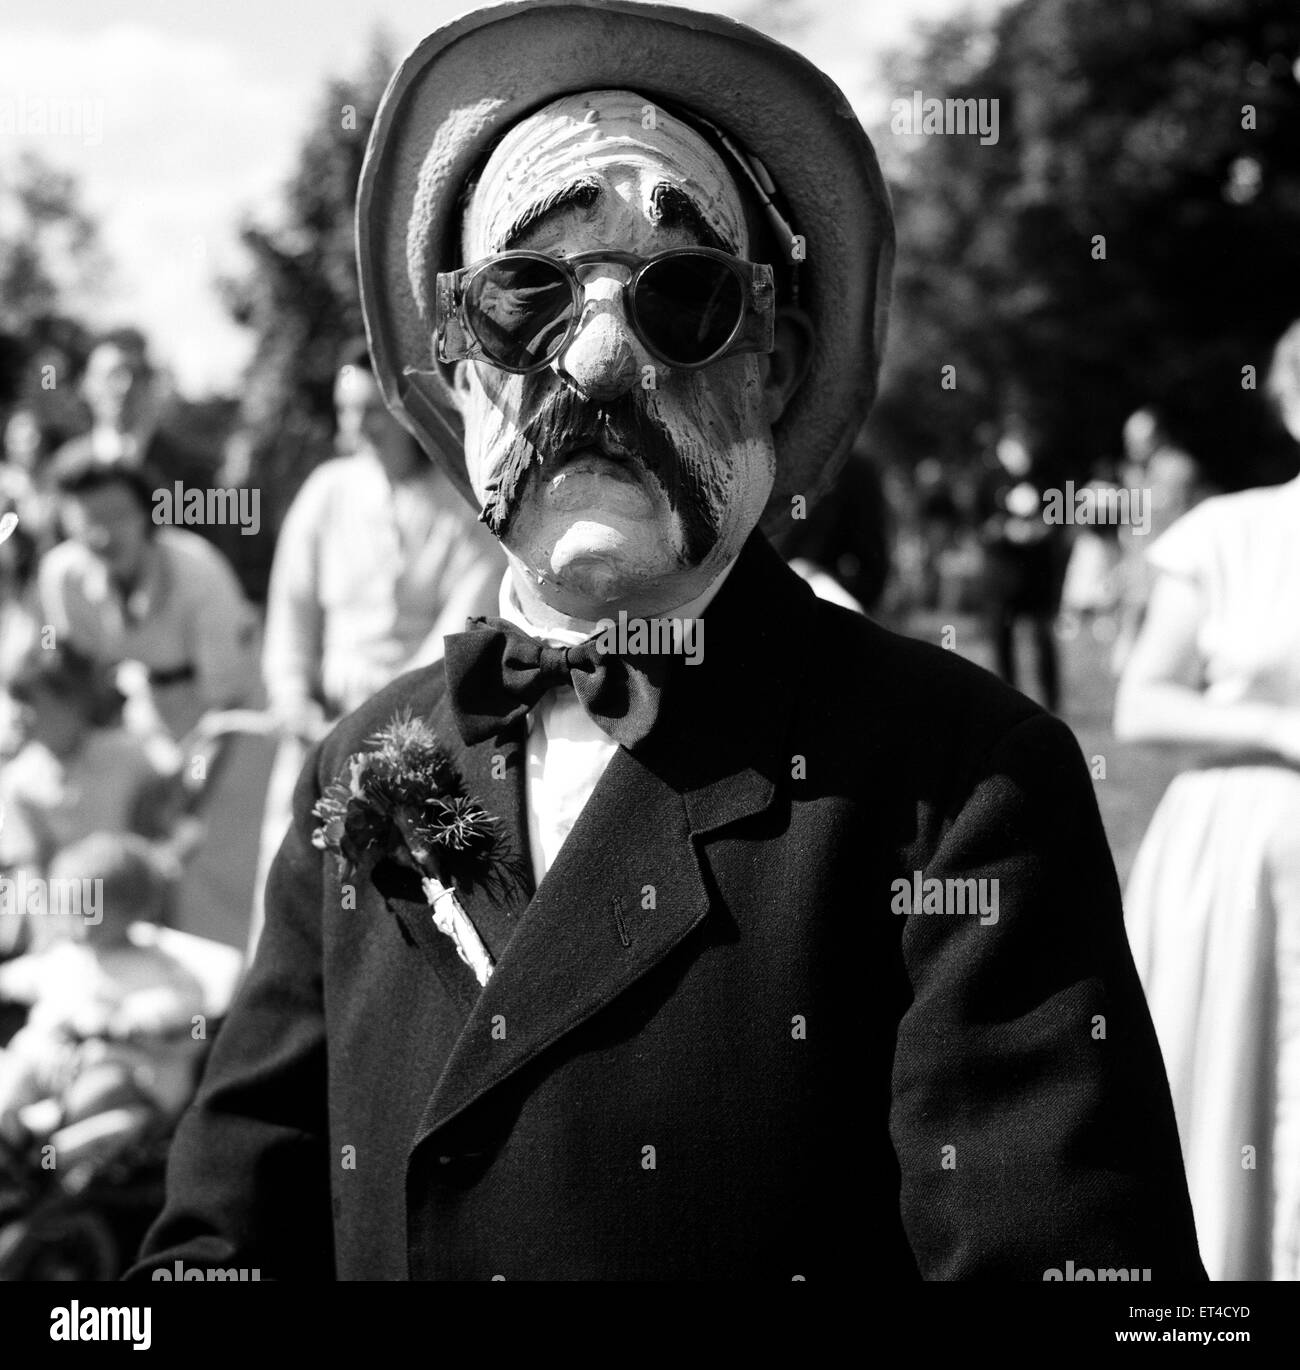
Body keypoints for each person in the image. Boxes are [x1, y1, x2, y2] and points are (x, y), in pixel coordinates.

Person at [129, 0, 1204, 1281]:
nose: (594, 361)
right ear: (459, 371)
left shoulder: (957, 785)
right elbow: (229, 1229)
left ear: (775, 366)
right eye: (526, 292)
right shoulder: (362, 763)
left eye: (681, 296)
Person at [1114, 321, 1300, 1281]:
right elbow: (1142, 702)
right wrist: (1279, 732)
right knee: (1228, 1091)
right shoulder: (1227, 535)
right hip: (1241, 860)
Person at [248, 342, 503, 956]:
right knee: (290, 897)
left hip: (415, 737)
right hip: (315, 732)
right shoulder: (326, 491)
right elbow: (293, 614)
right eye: (345, 411)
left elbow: (465, 621)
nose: (356, 426)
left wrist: (385, 730)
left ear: (408, 409)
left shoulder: (463, 499)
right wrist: (292, 699)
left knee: (404, 910)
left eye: (371, 410)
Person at [0, 833, 207, 1171]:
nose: (74, 922)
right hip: (46, 1060)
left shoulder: (152, 963)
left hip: (109, 1066)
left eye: (87, 912)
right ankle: (12, 1134)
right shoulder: (64, 956)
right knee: (13, 1072)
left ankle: (50, 1153)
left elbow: (188, 1001)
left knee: (109, 1103)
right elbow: (22, 977)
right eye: (67, 910)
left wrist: (128, 1016)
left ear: (131, 911)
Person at [36, 454, 258, 742]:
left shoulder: (198, 572)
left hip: (231, 714)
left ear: (147, 512)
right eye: (87, 520)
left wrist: (196, 772)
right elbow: (67, 656)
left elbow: (228, 702)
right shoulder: (59, 574)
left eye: (117, 516)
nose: (103, 535)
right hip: (142, 707)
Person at [0, 644, 178, 957]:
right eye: (17, 701)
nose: (22, 714)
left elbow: (161, 831)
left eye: (33, 701)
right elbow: (30, 868)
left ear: (74, 701)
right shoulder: (19, 781)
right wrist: (50, 934)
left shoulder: (129, 755)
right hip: (71, 924)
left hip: (135, 912)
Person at [975, 420, 1066, 712]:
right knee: (1002, 637)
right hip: (1003, 573)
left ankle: (1053, 703)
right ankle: (1009, 701)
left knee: (1043, 636)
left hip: (1037, 572)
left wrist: (1042, 529)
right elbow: (978, 524)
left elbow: (1061, 516)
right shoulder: (988, 477)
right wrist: (1004, 530)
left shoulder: (1045, 474)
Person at [49, 329, 213, 491]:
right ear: (86, 385)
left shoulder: (189, 468)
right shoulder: (64, 468)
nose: (125, 385)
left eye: (135, 374)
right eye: (113, 375)